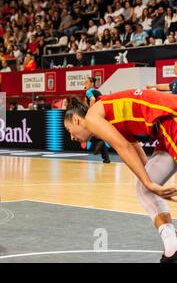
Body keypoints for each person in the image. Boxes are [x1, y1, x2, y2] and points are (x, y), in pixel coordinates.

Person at [64, 89, 177, 263]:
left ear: (77, 120)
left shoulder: (92, 119)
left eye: (69, 129)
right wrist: (151, 184)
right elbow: (135, 149)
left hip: (170, 120)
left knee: (146, 186)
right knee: (144, 189)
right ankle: (172, 248)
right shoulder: (105, 118)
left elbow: (123, 147)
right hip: (163, 128)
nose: (71, 136)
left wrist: (150, 183)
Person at [84, 77, 110, 163]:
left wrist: (90, 111)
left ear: (91, 83)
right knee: (98, 134)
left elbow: (93, 99)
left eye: (86, 83)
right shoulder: (98, 91)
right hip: (103, 113)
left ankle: (99, 143)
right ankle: (106, 158)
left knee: (89, 132)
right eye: (84, 83)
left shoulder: (88, 92)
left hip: (96, 113)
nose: (85, 85)